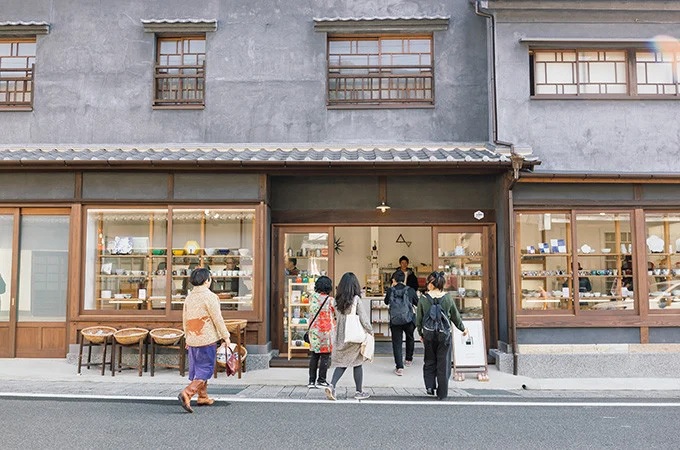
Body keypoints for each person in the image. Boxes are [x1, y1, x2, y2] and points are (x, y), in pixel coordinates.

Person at [179, 267, 231, 413]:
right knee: (206, 368)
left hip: (193, 338)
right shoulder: (210, 297)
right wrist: (225, 336)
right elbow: (217, 319)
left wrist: (187, 337)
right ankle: (188, 393)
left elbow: (185, 319)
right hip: (206, 338)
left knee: (198, 368)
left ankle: (202, 397)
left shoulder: (189, 297)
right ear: (207, 280)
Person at [416, 271, 467, 400]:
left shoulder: (423, 299)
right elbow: (455, 316)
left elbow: (419, 319)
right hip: (444, 334)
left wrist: (421, 333)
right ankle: (442, 393)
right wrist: (463, 328)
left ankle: (429, 386)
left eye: (428, 282)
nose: (427, 284)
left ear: (432, 284)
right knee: (443, 363)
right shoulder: (448, 298)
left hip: (428, 334)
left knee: (429, 361)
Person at [324, 272, 373, 401]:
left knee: (342, 363)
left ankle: (332, 385)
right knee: (357, 362)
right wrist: (370, 331)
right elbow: (364, 319)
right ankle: (359, 391)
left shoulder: (336, 301)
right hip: (354, 336)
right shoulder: (356, 300)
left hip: (341, 335)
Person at [383, 270, 419, 375]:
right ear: (404, 279)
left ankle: (399, 367)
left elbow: (386, 302)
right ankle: (408, 359)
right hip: (408, 319)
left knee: (397, 343)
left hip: (395, 320)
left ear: (393, 279)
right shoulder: (410, 290)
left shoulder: (390, 290)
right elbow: (417, 303)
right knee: (410, 338)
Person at [307, 275, 335, 389]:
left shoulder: (312, 297)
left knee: (314, 356)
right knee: (325, 356)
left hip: (314, 330)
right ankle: (321, 380)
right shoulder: (330, 300)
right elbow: (335, 313)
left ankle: (311, 381)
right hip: (326, 331)